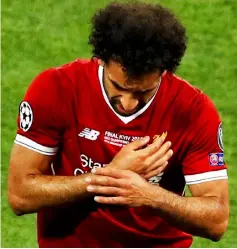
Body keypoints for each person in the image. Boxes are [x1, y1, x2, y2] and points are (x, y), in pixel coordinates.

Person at [8, 1, 229, 248]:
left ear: (165, 72)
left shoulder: (194, 111)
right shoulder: (57, 88)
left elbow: (216, 220)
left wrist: (148, 195)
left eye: (144, 92)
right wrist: (110, 177)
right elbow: (20, 194)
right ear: (101, 60)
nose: (128, 104)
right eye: (119, 87)